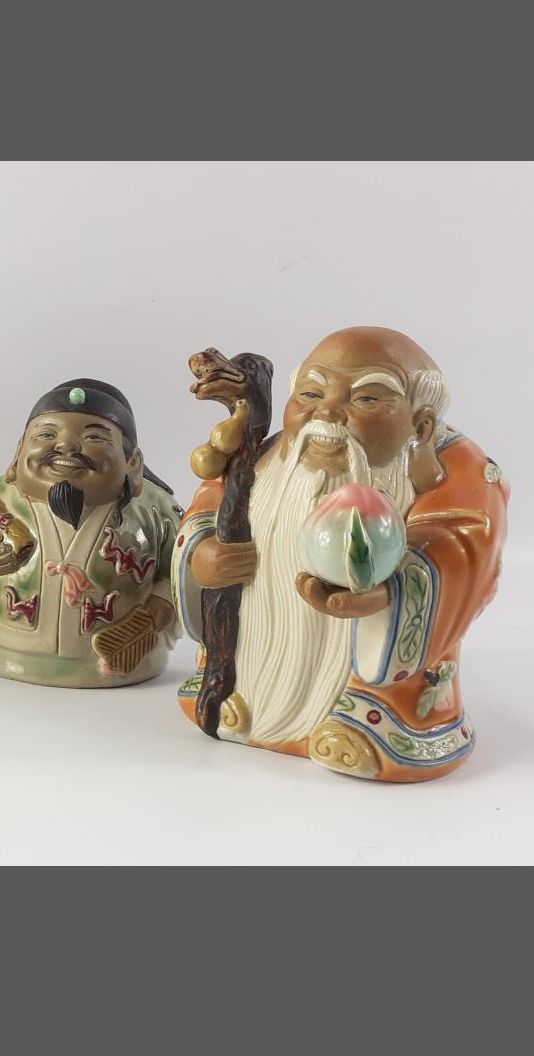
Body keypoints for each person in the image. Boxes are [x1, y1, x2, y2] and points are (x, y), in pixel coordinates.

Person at [172, 327, 508, 781]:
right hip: (250, 656)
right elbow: (210, 502)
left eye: (366, 398)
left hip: (381, 701)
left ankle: (361, 720)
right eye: (311, 393)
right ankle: (242, 693)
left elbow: (465, 542)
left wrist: (388, 594)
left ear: (420, 426)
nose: (327, 412)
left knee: (382, 716)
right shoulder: (267, 455)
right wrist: (202, 552)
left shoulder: (458, 469)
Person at [0, 379, 181, 687]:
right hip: (2, 644)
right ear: (18, 451)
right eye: (46, 434)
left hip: (125, 656)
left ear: (132, 461)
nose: (67, 446)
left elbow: (180, 570)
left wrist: (158, 610)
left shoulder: (157, 510)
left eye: (94, 437)